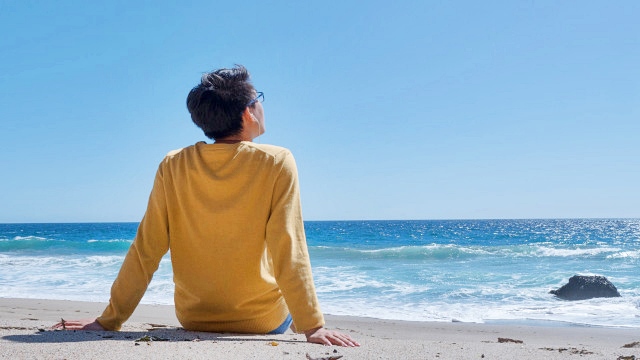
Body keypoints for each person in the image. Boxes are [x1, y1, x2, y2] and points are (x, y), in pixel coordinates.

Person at [53, 65, 359, 347]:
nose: (262, 106)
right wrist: (313, 327)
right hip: (262, 322)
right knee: (282, 306)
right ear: (247, 114)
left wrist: (109, 320)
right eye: (258, 99)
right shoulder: (278, 161)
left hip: (193, 317)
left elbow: (146, 250)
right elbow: (287, 247)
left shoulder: (173, 164)